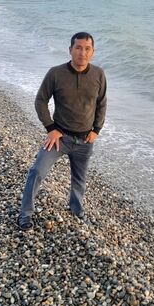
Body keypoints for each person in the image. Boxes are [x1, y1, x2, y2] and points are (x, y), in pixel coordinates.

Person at [18, 32, 107, 231]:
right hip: (59, 138)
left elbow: (101, 103)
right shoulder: (56, 73)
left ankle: (76, 210)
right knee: (36, 171)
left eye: (87, 49)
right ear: (70, 50)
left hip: (85, 140)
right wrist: (50, 128)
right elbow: (40, 101)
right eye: (78, 48)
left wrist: (96, 130)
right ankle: (25, 214)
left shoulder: (99, 74)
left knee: (79, 179)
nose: (82, 53)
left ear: (92, 52)